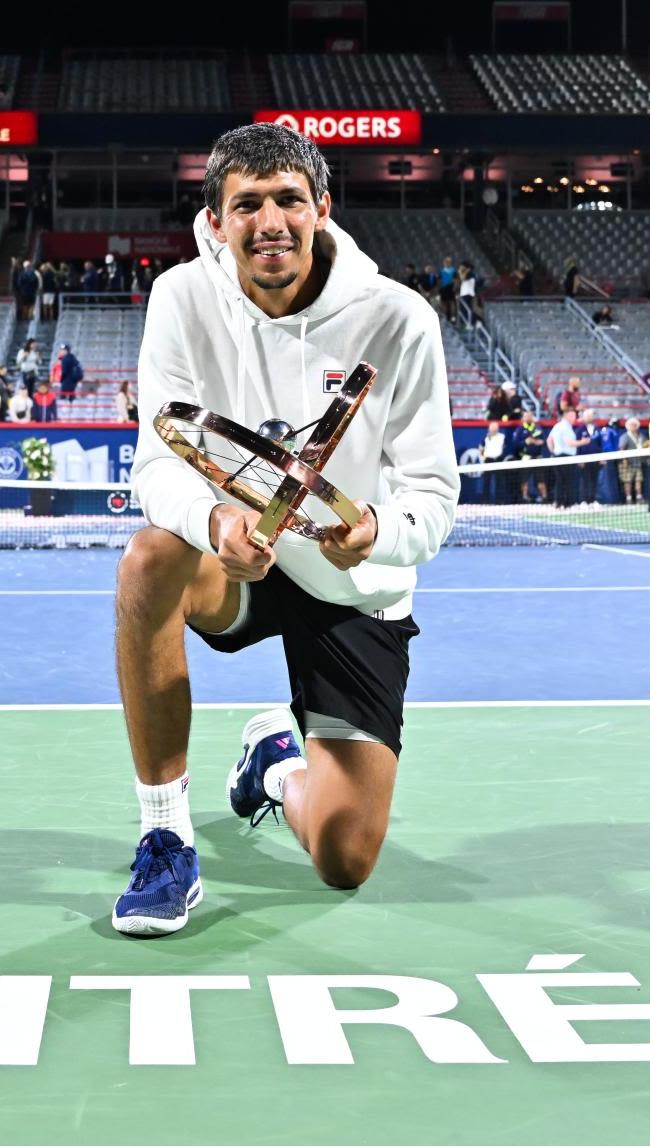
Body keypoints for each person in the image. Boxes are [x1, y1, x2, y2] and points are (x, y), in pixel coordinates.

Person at [116, 122, 457, 935]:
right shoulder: (181, 300)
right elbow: (157, 464)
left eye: (288, 200)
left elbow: (435, 493)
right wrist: (214, 519)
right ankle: (165, 835)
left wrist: (377, 529)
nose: (269, 220)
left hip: (352, 585)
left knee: (345, 860)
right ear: (217, 221)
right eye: (247, 204)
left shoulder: (399, 320)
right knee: (149, 558)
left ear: (322, 209)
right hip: (241, 565)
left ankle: (274, 764)